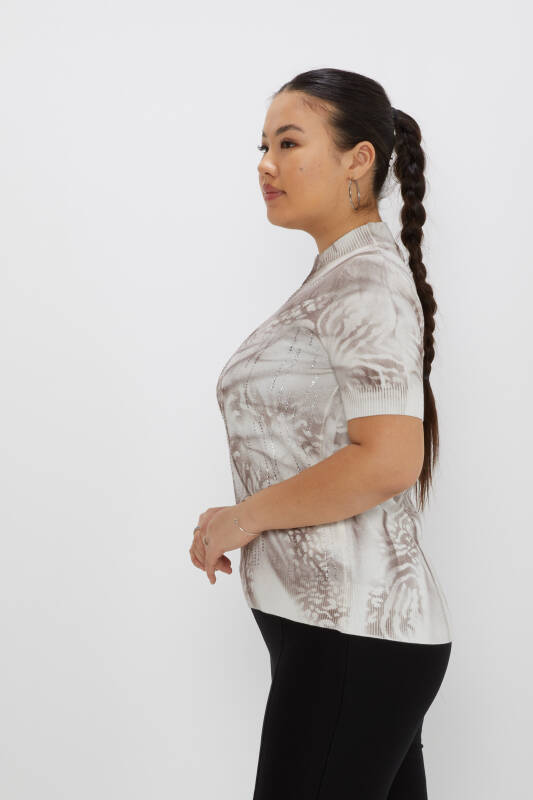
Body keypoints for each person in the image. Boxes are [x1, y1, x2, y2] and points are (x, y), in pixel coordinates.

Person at [190, 67, 453, 799]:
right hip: (347, 640)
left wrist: (243, 519)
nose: (266, 164)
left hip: (352, 642)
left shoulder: (366, 280)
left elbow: (389, 460)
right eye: (263, 146)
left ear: (358, 160)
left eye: (288, 142)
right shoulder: (339, 276)